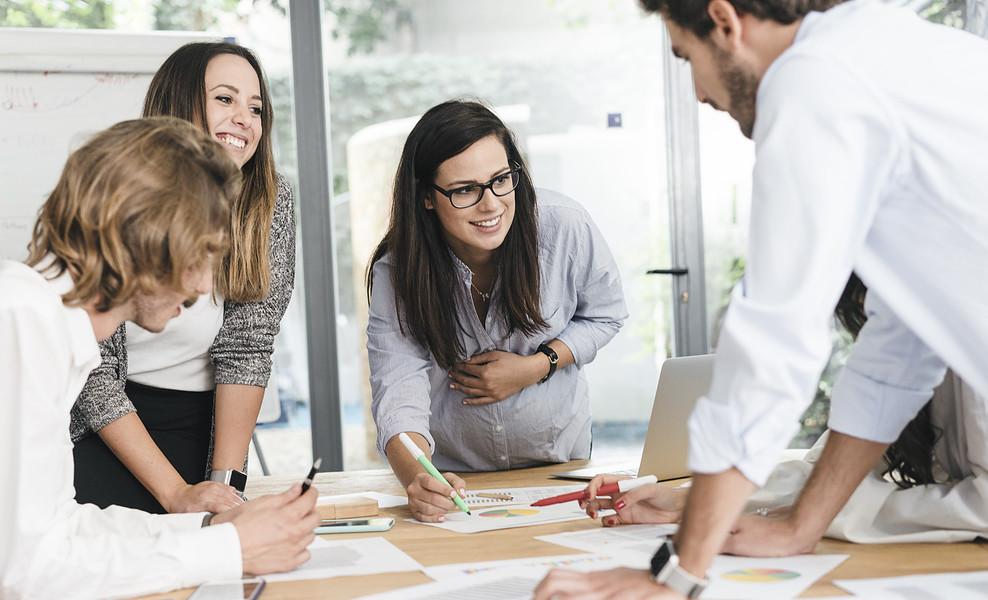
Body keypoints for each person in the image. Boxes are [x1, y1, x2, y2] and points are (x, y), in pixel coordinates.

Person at [535, 0, 988, 596]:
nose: (697, 92)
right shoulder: (899, 55)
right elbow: (897, 352)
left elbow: (774, 342)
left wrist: (677, 574)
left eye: (685, 56)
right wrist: (802, 524)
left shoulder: (816, 80)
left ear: (725, 22)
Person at [0, 117, 319, 599]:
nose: (203, 285)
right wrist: (231, 549)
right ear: (145, 239)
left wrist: (211, 531)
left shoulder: (36, 322)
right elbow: (33, 572)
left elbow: (61, 528)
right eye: (200, 256)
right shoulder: (15, 326)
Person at [575, 275, 988, 545]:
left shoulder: (971, 338)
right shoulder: (896, 347)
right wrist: (688, 501)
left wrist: (816, 517)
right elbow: (824, 472)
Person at [366, 100, 628, 522]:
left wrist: (537, 365)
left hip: (560, 468)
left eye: (501, 180)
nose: (491, 205)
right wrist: (418, 477)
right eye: (465, 190)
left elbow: (606, 315)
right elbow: (397, 390)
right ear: (426, 198)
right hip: (459, 479)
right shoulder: (397, 272)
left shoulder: (564, 226)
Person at [71, 42, 296, 515]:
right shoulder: (118, 193)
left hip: (205, 427)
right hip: (105, 428)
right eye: (225, 99)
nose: (245, 118)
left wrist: (224, 484)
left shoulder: (268, 201)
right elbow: (91, 367)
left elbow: (248, 345)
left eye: (256, 107)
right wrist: (173, 492)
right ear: (179, 105)